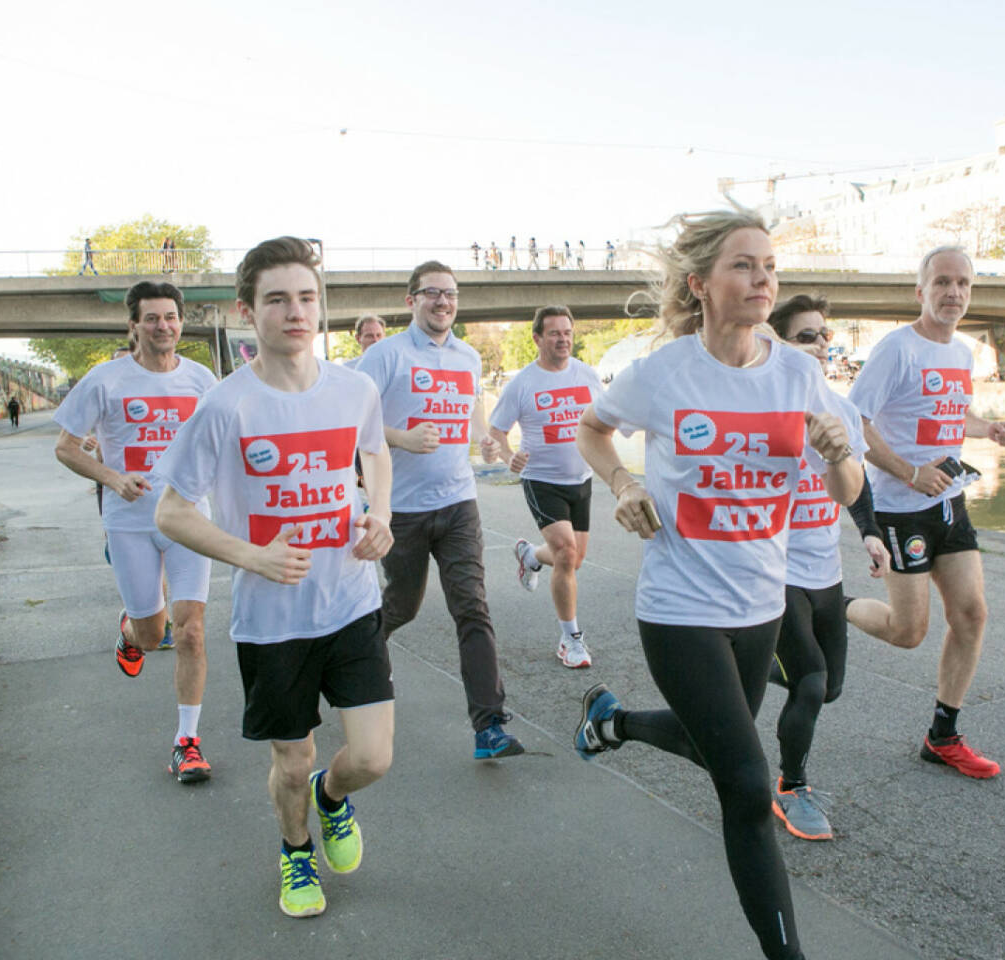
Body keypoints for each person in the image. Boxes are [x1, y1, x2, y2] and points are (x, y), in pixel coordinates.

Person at [572, 208, 862, 960]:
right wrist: (623, 483)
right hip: (679, 606)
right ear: (701, 283)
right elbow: (591, 428)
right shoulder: (665, 373)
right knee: (744, 781)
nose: (762, 278)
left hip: (761, 602)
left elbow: (849, 488)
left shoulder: (799, 374)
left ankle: (616, 722)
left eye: (769, 266)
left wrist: (836, 455)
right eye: (743, 265)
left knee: (714, 746)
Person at [154, 236, 395, 919]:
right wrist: (250, 556)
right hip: (272, 622)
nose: (296, 312)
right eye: (278, 299)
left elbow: (374, 452)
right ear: (245, 310)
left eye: (307, 297)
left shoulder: (354, 387)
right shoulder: (226, 406)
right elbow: (172, 513)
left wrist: (380, 514)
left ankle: (332, 798)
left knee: (372, 758)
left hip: (350, 601)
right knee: (291, 759)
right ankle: (295, 852)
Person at [845, 245, 1005, 781]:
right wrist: (907, 473)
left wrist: (986, 428)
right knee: (907, 631)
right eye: (942, 282)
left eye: (963, 283)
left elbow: (945, 411)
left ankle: (943, 736)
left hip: (948, 505)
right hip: (899, 512)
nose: (954, 293)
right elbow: (856, 423)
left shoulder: (961, 353)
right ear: (920, 291)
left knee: (972, 614)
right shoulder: (897, 350)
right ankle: (833, 604)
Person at [355, 260, 523, 759]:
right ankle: (355, 668)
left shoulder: (468, 356)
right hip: (400, 511)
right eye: (432, 293)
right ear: (411, 301)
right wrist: (401, 437)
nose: (443, 302)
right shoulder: (385, 356)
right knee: (399, 608)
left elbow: (471, 415)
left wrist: (485, 442)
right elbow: (349, 421)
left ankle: (488, 726)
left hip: (457, 503)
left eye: (450, 294)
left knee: (472, 607)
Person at [52, 280, 217, 783]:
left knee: (190, 631)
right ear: (134, 326)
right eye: (152, 318)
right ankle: (132, 630)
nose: (162, 326)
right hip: (128, 522)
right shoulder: (105, 380)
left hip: (188, 518)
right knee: (153, 636)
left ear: (180, 323)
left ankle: (186, 742)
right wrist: (112, 477)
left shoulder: (202, 379)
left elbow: (223, 442)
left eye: (170, 317)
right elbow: (66, 447)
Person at [764, 293, 870, 842]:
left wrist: (871, 534)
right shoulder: (763, 408)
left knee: (831, 689)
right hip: (776, 575)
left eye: (825, 335)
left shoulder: (843, 411)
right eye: (808, 336)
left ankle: (754, 660)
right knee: (811, 681)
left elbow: (853, 490)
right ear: (778, 343)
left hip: (826, 572)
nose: (822, 345)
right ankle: (791, 788)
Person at [482, 304, 603, 669]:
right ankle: (571, 640)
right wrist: (507, 458)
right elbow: (496, 434)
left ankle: (531, 556)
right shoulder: (523, 384)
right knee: (566, 553)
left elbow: (604, 419)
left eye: (567, 332)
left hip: (581, 478)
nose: (563, 338)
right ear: (537, 338)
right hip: (542, 479)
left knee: (574, 559)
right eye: (554, 333)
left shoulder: (587, 375)